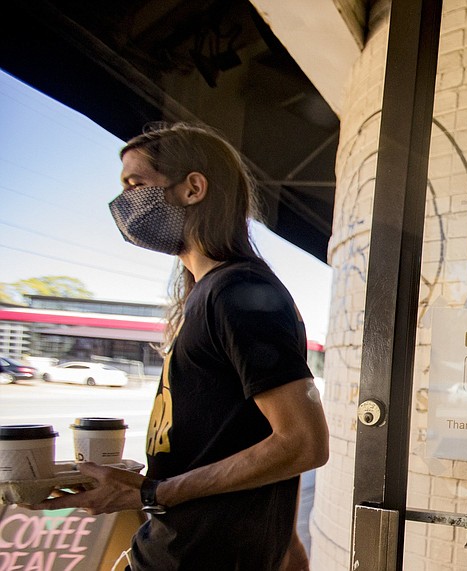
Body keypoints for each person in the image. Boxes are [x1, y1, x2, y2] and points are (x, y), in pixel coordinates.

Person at [31, 122, 329, 570]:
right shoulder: (206, 294)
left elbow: (303, 443)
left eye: (136, 184)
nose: (123, 204)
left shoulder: (238, 292)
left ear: (192, 188)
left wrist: (151, 492)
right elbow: (256, 450)